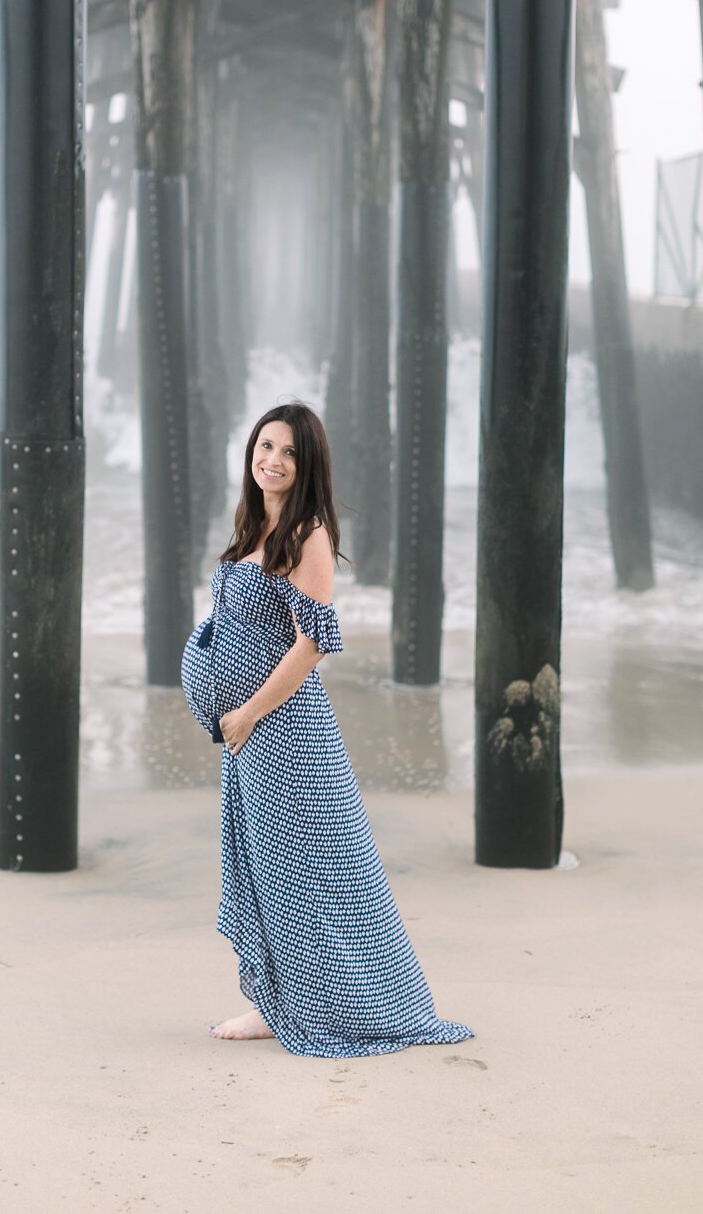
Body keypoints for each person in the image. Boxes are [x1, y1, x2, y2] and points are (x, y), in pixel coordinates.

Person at [180, 401, 474, 1058]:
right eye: (264, 446)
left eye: (287, 452)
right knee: (265, 867)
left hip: (283, 731)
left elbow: (314, 642)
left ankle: (334, 1005)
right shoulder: (255, 526)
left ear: (307, 464)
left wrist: (250, 712)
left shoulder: (307, 534)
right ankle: (275, 1001)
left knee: (316, 873)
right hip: (247, 735)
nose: (272, 460)